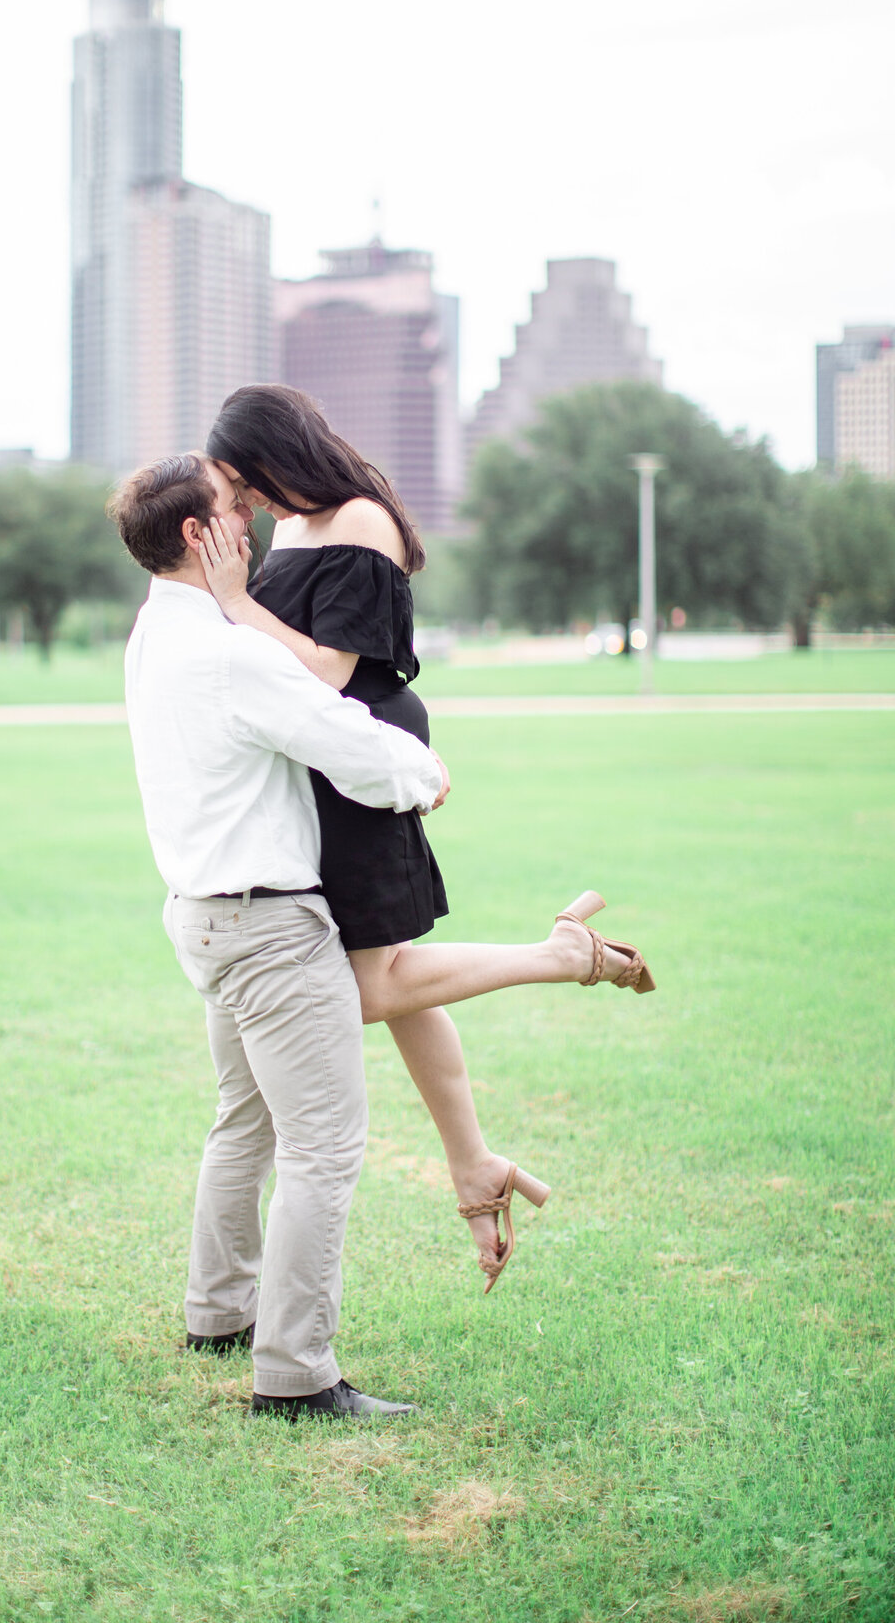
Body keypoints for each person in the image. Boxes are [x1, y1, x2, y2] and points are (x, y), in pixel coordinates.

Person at [201, 384, 655, 1290]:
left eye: (249, 482)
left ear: (280, 457)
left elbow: (330, 670)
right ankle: (474, 1160)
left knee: (368, 987)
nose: (246, 504)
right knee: (395, 979)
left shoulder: (360, 519)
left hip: (359, 755)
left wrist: (233, 601)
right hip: (309, 767)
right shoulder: (293, 526)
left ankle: (562, 957)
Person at [110, 450, 448, 1418]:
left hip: (206, 918)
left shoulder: (155, 633)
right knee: (323, 1146)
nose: (250, 515)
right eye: (233, 506)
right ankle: (296, 1375)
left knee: (246, 1123)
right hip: (266, 925)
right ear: (196, 533)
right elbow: (339, 739)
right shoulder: (223, 650)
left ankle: (218, 1312)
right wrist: (421, 772)